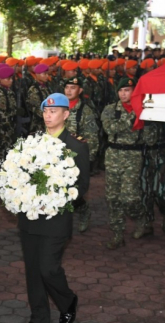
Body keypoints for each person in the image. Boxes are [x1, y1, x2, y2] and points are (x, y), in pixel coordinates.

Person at [16, 93, 89, 323]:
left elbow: (81, 188)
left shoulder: (77, 145)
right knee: (33, 270)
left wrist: (55, 200)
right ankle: (39, 318)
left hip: (56, 218)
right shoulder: (31, 143)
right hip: (30, 216)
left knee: (48, 268)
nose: (48, 116)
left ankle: (67, 301)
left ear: (66, 114)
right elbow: (20, 175)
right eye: (46, 112)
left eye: (54, 111)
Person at [100, 78, 146, 249]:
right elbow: (110, 129)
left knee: (129, 197)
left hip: (133, 155)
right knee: (112, 197)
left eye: (127, 90)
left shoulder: (145, 110)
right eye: (121, 90)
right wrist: (134, 115)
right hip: (113, 155)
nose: (123, 94)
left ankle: (140, 216)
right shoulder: (110, 109)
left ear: (134, 91)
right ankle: (117, 234)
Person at [63, 76, 99, 232]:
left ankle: (83, 210)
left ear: (80, 90)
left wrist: (88, 160)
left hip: (75, 157)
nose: (69, 90)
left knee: (74, 191)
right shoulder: (58, 106)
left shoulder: (85, 111)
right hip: (56, 154)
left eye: (73, 88)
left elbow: (91, 137)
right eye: (67, 87)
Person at [26, 64, 52, 133]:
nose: (47, 76)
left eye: (47, 74)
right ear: (37, 75)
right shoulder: (34, 90)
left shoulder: (47, 87)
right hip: (39, 125)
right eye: (44, 74)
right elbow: (37, 109)